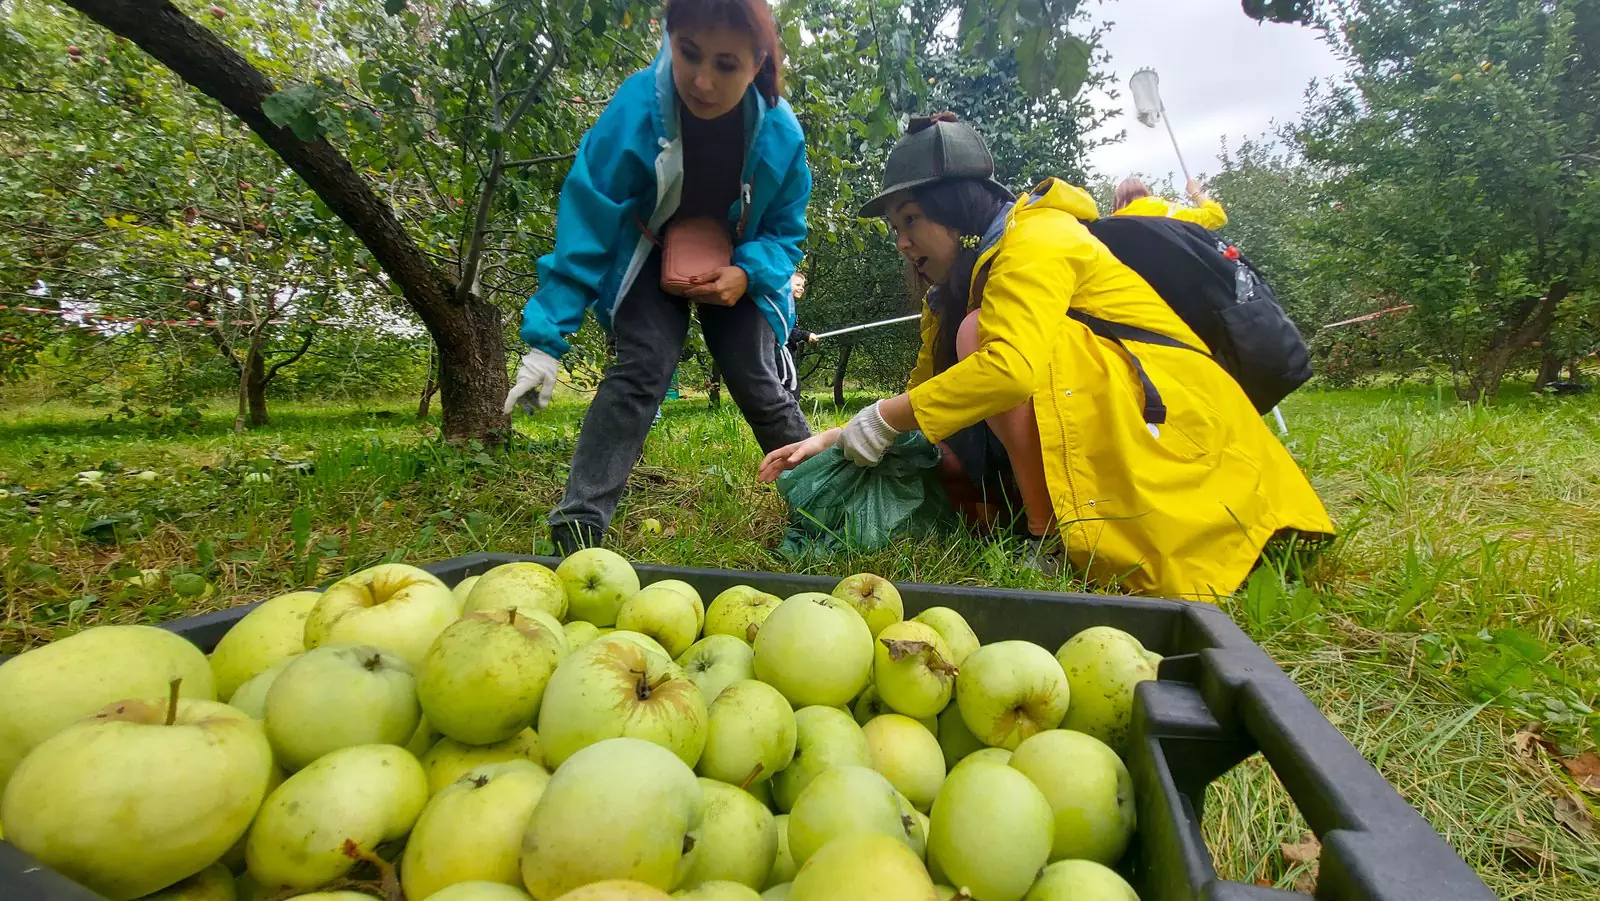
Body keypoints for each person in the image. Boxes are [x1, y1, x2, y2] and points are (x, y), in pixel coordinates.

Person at [758, 113, 1332, 600]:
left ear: (956, 207)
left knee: (983, 342)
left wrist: (882, 419)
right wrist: (840, 435)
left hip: (1166, 425)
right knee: (939, 445)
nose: (902, 241)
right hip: (1102, 418)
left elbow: (1009, 370)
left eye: (911, 219)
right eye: (894, 228)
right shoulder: (951, 289)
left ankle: (1047, 539)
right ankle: (1025, 515)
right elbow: (923, 396)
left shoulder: (1037, 239)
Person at [504, 0, 813, 554]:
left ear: (757, 61)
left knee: (757, 380)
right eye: (688, 53)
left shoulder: (782, 137)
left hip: (738, 262)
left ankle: (823, 504)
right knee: (642, 366)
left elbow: (787, 232)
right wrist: (545, 343)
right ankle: (578, 527)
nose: (701, 80)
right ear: (669, 37)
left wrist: (747, 273)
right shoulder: (635, 111)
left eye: (726, 64)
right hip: (648, 251)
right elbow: (589, 218)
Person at [1112, 176, 1228, 230]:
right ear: (1145, 193)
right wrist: (1196, 193)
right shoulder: (1169, 211)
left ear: (1118, 202)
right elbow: (1217, 216)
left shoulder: (1111, 227)